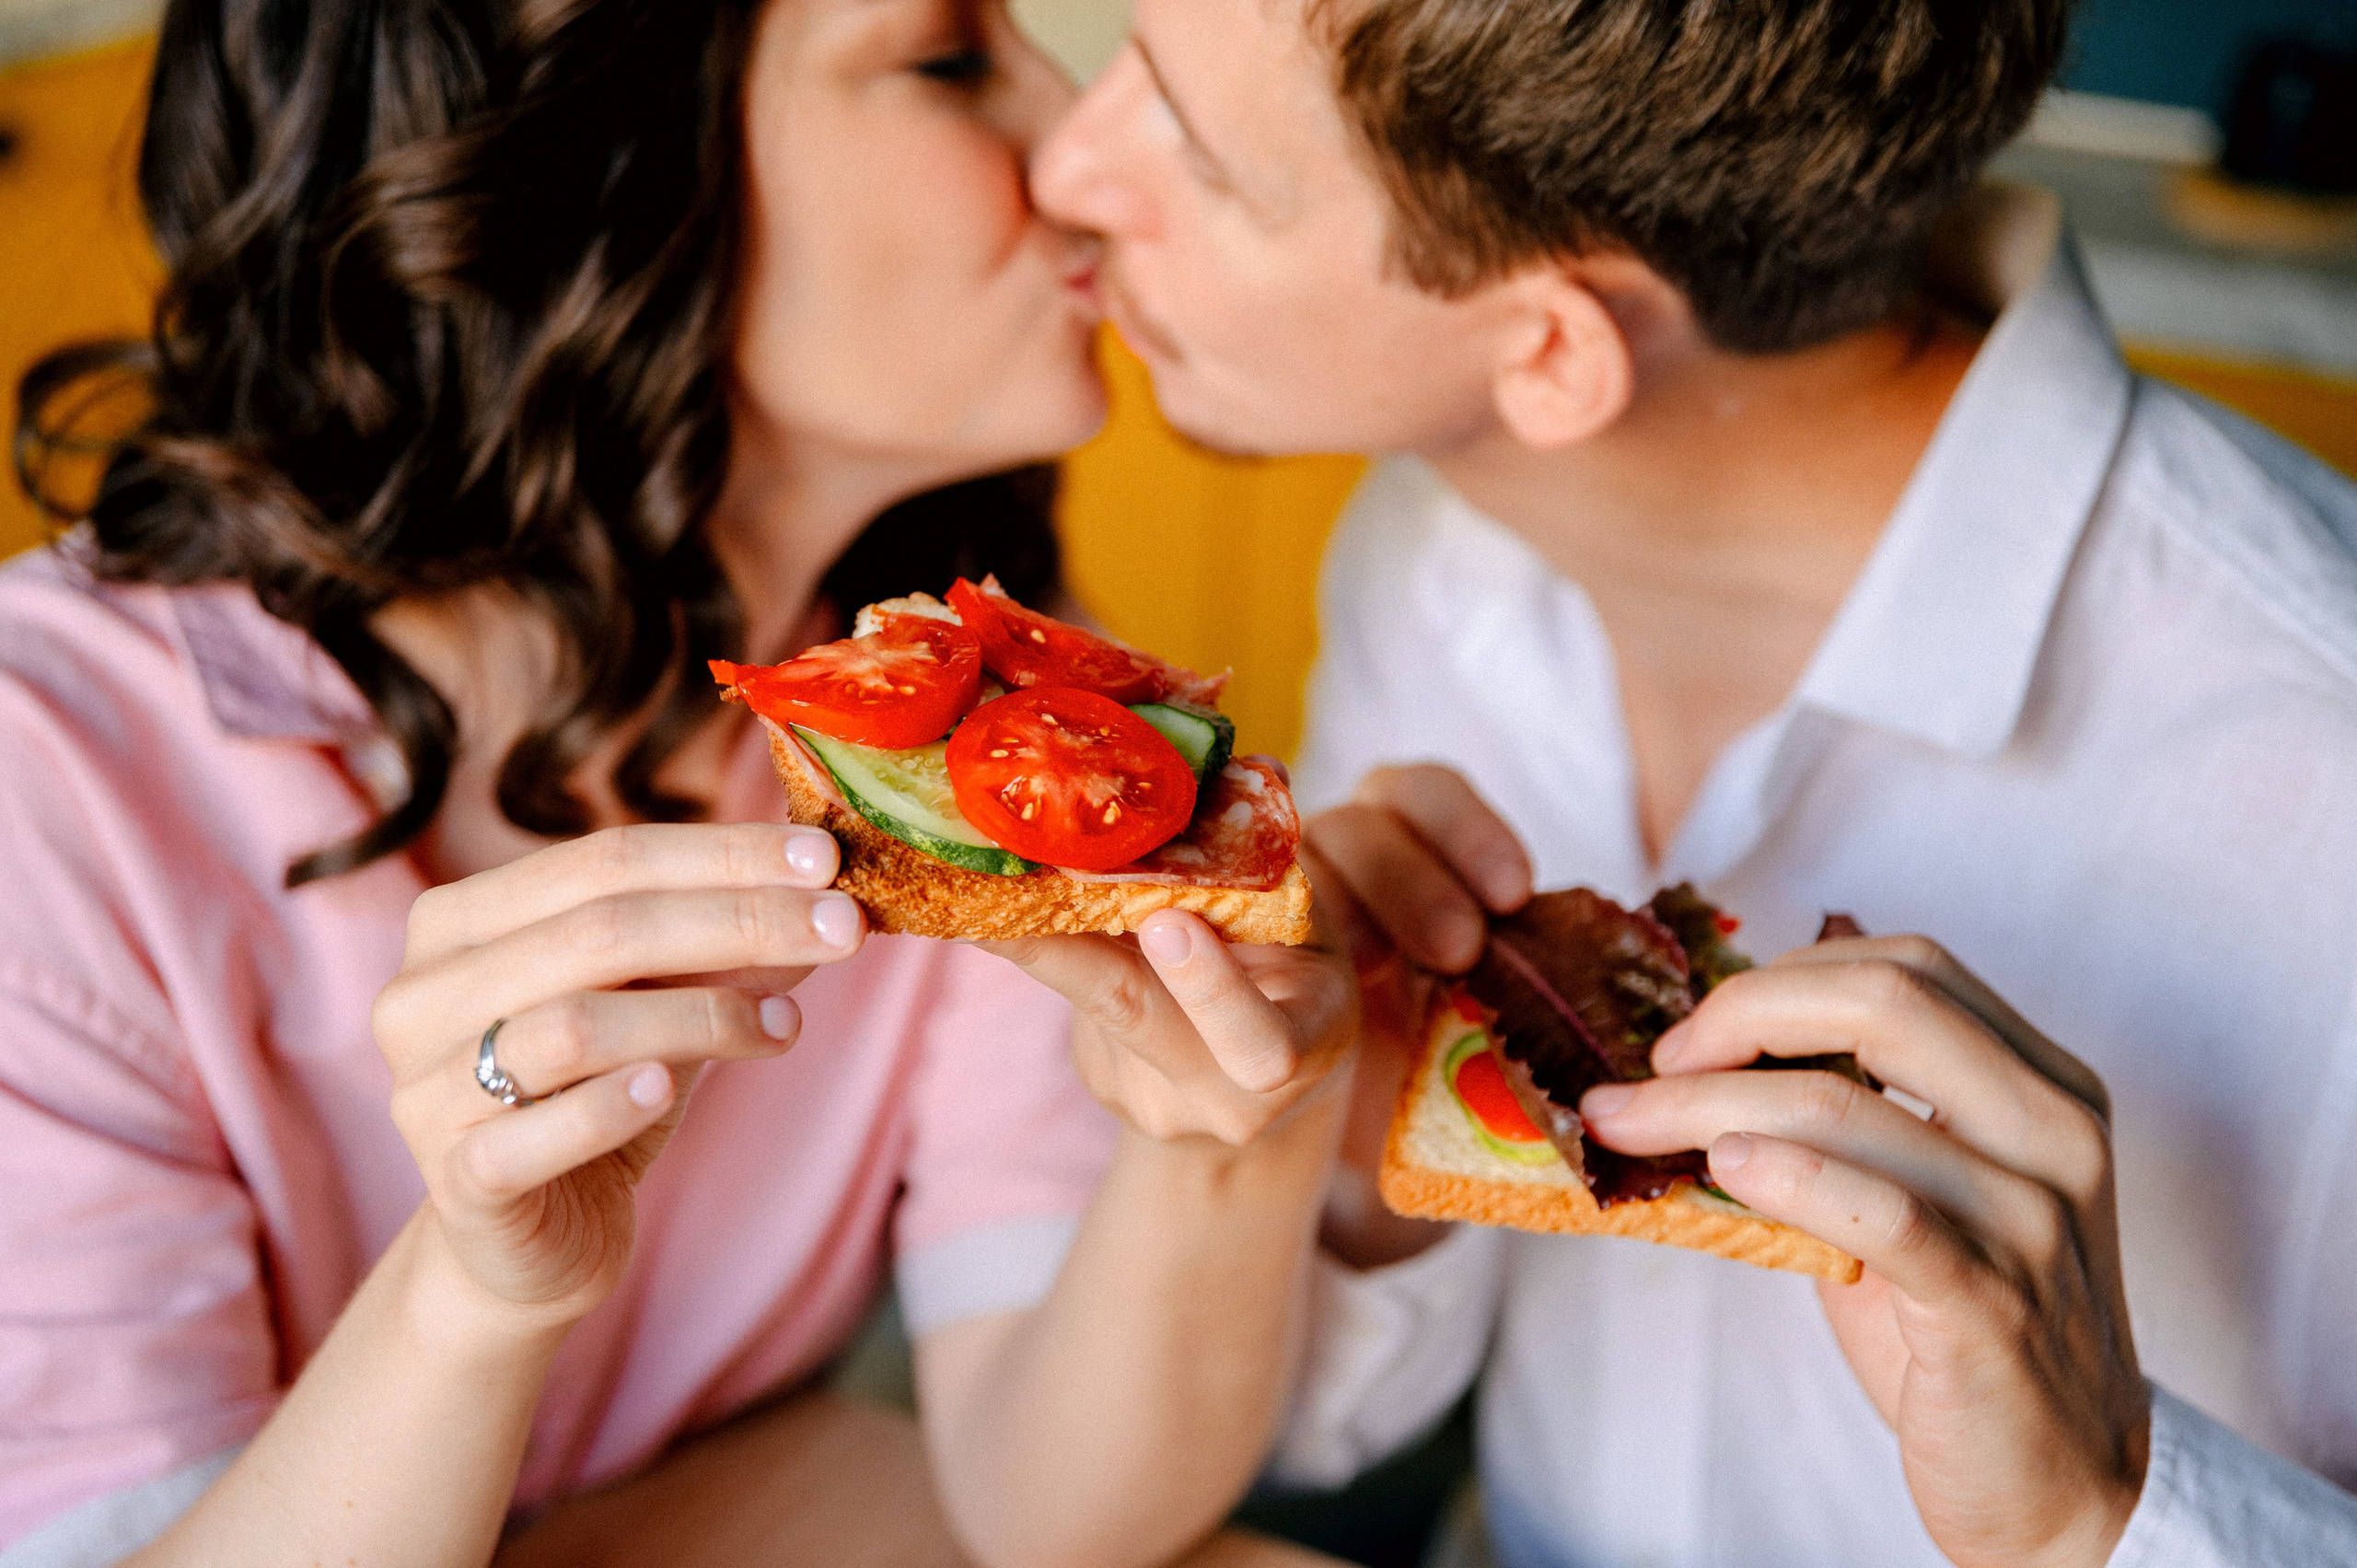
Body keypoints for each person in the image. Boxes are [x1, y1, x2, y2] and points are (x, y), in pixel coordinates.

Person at [0, 3, 1358, 1565]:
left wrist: (1225, 1128)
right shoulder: (44, 783)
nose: (1082, 144)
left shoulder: (1000, 744)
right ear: (582, 172)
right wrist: (470, 1303)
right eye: (944, 55)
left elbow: (1057, 1510)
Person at [1031, 0, 2357, 1563]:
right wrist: (1347, 1147)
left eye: (1204, 154)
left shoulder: (2314, 775)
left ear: (1551, 352)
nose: (1065, 166)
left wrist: (2107, 1520)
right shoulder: (1439, 550)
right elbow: (1330, 1420)